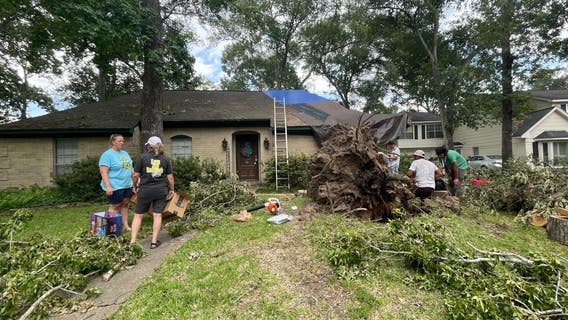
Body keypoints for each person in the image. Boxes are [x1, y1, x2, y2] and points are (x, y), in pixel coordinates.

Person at [130, 136, 175, 249]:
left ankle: (133, 241)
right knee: (157, 214)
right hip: (161, 191)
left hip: (145, 190)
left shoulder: (142, 158)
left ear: (149, 146)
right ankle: (154, 242)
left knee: (138, 215)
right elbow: (170, 178)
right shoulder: (165, 159)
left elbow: (135, 175)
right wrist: (172, 189)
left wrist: (134, 186)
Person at [99, 134, 133, 231]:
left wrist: (135, 181)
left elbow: (130, 167)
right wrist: (108, 186)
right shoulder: (107, 155)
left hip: (127, 184)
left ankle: (125, 225)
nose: (122, 143)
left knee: (125, 204)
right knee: (115, 206)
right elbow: (103, 172)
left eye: (123, 141)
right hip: (115, 185)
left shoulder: (125, 153)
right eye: (120, 141)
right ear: (113, 142)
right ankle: (111, 227)